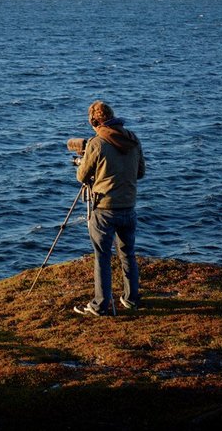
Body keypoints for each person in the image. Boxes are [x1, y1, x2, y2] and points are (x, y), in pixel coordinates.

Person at [73, 100, 145, 316]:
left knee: (102, 256)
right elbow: (140, 172)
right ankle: (131, 298)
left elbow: (82, 176)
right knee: (128, 253)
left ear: (95, 121)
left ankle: (100, 304)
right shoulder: (132, 138)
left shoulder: (97, 143)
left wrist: (88, 165)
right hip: (128, 206)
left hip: (104, 208)